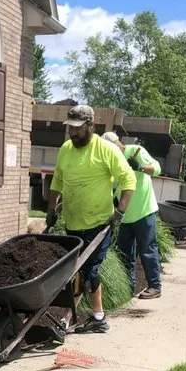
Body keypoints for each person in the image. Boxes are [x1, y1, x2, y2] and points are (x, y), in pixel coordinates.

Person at [45, 105, 136, 333]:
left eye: (77, 129)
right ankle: (98, 317)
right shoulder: (66, 149)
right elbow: (57, 182)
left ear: (90, 126)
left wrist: (120, 212)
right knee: (76, 272)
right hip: (73, 223)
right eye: (70, 129)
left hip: (99, 224)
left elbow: (129, 180)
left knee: (88, 271)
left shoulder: (106, 150)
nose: (72, 133)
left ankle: (67, 320)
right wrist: (51, 210)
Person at [102, 131, 162, 299]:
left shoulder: (136, 151)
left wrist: (140, 167)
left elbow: (157, 168)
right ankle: (128, 288)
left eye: (113, 149)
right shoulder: (110, 160)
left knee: (147, 250)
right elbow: (112, 187)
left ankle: (155, 286)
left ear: (119, 143)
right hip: (124, 216)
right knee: (124, 253)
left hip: (144, 212)